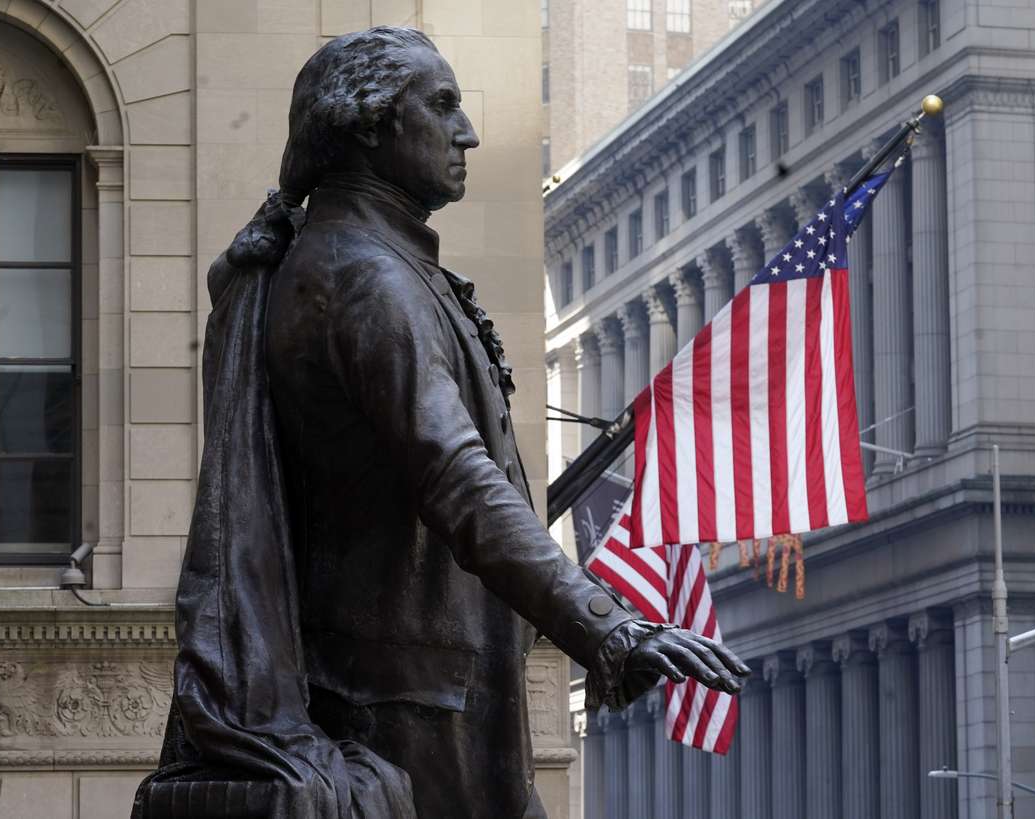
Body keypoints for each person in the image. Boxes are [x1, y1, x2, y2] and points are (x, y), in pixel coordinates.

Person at [137, 27, 749, 819]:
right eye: (443, 106)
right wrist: (606, 624)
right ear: (367, 124)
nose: (468, 131)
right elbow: (458, 478)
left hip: (418, 696)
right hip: (405, 711)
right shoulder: (365, 279)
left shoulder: (360, 265)